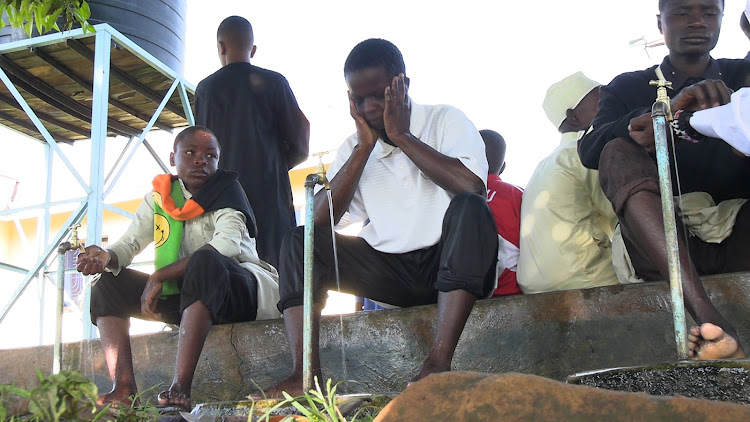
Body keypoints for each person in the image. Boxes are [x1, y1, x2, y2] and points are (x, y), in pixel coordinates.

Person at [263, 38, 497, 397]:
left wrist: (402, 135)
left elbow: (472, 187)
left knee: (471, 207)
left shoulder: (444, 119)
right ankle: (304, 374)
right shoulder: (353, 147)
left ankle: (437, 364)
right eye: (359, 99)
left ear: (401, 84)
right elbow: (318, 227)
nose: (370, 107)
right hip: (393, 273)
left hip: (450, 268)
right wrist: (363, 149)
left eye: (379, 95)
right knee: (299, 240)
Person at [578, 0, 750, 360]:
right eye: (683, 12)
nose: (697, 22)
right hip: (662, 241)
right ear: (660, 22)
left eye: (709, 12)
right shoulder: (629, 86)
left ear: (724, 18)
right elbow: (589, 149)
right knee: (614, 150)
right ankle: (711, 321)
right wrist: (661, 111)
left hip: (743, 233)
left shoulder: (742, 74)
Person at [76, 126, 280, 410]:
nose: (201, 160)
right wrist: (105, 256)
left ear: (218, 161)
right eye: (191, 153)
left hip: (240, 294)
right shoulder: (161, 197)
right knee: (109, 283)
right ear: (173, 158)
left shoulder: (227, 192)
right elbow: (130, 243)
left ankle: (179, 387)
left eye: (211, 155)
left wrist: (160, 275)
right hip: (190, 297)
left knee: (205, 261)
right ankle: (123, 388)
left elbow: (226, 246)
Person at [194, 16, 310, 270]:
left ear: (221, 47)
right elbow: (302, 142)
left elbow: (199, 153)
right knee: (278, 277)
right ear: (253, 50)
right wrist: (275, 164)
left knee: (228, 276)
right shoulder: (275, 82)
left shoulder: (205, 90)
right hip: (270, 200)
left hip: (222, 202)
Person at [517, 72, 620, 293]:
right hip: (580, 276)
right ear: (574, 117)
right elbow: (621, 214)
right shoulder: (584, 152)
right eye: (602, 102)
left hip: (533, 284)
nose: (612, 105)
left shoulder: (548, 161)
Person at [480, 129, 523, 297]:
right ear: (503, 167)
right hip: (512, 290)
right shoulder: (519, 195)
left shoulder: (449, 196)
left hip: (461, 296)